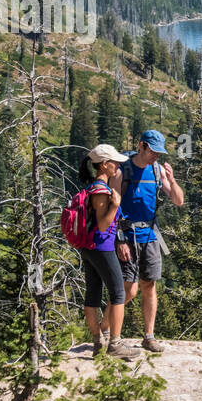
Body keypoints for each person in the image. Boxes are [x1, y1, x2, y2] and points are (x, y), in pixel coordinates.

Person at [114, 129, 184, 352]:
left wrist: (171, 180)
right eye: (153, 151)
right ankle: (108, 331)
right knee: (129, 289)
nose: (156, 156)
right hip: (127, 235)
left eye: (159, 152)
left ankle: (149, 336)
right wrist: (120, 239)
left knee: (149, 285)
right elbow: (113, 205)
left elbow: (178, 200)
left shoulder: (156, 171)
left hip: (151, 235)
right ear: (141, 145)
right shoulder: (123, 169)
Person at [78, 144, 131, 357]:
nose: (118, 165)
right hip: (102, 246)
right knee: (118, 293)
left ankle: (98, 343)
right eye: (115, 162)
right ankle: (114, 344)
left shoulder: (93, 187)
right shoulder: (100, 189)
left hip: (89, 248)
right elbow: (102, 225)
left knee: (92, 295)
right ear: (105, 165)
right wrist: (115, 205)